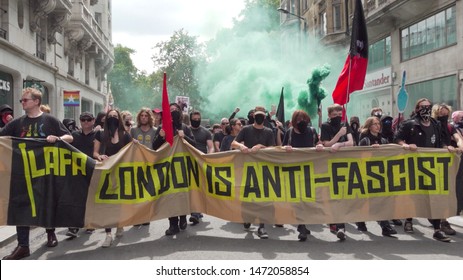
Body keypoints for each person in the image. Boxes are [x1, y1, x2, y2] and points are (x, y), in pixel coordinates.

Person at [0, 87, 73, 260]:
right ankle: (23, 245)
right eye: (22, 100)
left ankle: (50, 233)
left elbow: (70, 137)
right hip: (22, 172)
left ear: (36, 101)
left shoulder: (50, 120)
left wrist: (58, 138)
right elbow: (2, 138)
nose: (22, 103)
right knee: (20, 205)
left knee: (47, 201)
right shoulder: (17, 123)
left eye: (25, 100)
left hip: (45, 171)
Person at [394, 98, 455, 242]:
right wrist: (405, 145)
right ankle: (408, 220)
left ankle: (437, 229)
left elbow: (441, 142)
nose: (426, 109)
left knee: (433, 197)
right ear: (417, 109)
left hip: (431, 166)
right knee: (413, 194)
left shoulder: (436, 124)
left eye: (429, 106)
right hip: (413, 164)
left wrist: (448, 147)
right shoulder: (409, 124)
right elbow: (397, 139)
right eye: (423, 107)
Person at [231, 106, 276, 239]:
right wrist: (242, 146)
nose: (260, 117)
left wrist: (261, 147)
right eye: (258, 115)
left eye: (262, 115)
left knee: (263, 198)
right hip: (248, 168)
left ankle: (262, 227)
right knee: (248, 197)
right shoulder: (246, 129)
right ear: (254, 116)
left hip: (264, 169)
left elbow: (273, 149)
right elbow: (234, 143)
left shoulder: (269, 132)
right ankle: (247, 217)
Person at [152, 103, 196, 236]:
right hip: (167, 168)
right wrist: (160, 136)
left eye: (176, 110)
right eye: (170, 110)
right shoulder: (162, 128)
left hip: (182, 167)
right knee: (169, 196)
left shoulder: (185, 128)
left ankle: (182, 217)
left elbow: (194, 145)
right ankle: (173, 224)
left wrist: (184, 137)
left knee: (181, 194)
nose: (173, 112)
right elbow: (154, 147)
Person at [282, 110, 324, 241]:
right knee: (298, 199)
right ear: (294, 121)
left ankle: (303, 224)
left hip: (309, 170)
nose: (302, 122)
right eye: (299, 120)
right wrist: (286, 149)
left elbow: (319, 143)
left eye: (304, 119)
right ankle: (302, 225)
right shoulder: (289, 132)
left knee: (307, 199)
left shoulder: (312, 131)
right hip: (294, 170)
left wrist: (320, 146)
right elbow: (282, 147)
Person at [93, 109, 133, 247]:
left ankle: (120, 224)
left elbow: (131, 153)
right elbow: (95, 152)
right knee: (107, 204)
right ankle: (108, 234)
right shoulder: (100, 134)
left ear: (119, 119)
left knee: (119, 202)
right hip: (106, 173)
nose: (112, 118)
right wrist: (99, 156)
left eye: (115, 116)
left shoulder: (125, 135)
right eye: (109, 116)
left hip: (121, 174)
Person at [357, 117, 397, 236]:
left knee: (381, 199)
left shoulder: (384, 140)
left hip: (381, 173)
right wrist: (370, 150)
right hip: (367, 173)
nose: (377, 126)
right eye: (374, 124)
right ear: (369, 126)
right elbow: (359, 155)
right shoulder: (365, 140)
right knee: (365, 199)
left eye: (378, 124)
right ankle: (360, 221)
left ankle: (385, 226)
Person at [320, 103, 354, 241]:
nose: (338, 117)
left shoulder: (345, 124)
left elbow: (351, 142)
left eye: (339, 115)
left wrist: (340, 144)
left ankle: (341, 227)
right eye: (334, 115)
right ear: (329, 115)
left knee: (341, 195)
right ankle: (333, 221)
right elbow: (326, 144)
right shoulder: (325, 126)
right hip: (328, 164)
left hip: (344, 163)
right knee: (331, 194)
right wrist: (338, 136)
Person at [432, 103, 463, 235]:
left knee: (453, 190)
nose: (444, 116)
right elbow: (437, 141)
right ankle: (442, 222)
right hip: (436, 163)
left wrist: (460, 145)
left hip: (449, 162)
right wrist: (445, 147)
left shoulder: (450, 126)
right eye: (441, 113)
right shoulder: (432, 126)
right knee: (440, 192)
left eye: (446, 114)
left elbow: (458, 138)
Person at [66, 112, 97, 237]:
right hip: (77, 172)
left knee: (90, 198)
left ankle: (90, 223)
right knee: (76, 198)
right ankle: (73, 226)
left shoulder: (98, 135)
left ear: (93, 121)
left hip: (93, 170)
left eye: (88, 119)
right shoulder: (74, 135)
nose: (85, 122)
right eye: (83, 120)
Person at [130, 107, 157, 227]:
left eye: (146, 116)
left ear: (149, 117)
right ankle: (137, 216)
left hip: (150, 164)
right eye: (142, 116)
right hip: (137, 163)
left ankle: (146, 215)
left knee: (148, 190)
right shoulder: (134, 130)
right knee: (137, 190)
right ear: (139, 117)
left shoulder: (155, 130)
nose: (144, 118)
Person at [189, 110, 213, 224]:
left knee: (198, 187)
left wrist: (209, 156)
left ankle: (196, 212)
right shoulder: (186, 130)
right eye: (194, 119)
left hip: (200, 161)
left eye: (198, 119)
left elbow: (211, 147)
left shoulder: (206, 132)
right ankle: (195, 210)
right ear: (190, 119)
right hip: (188, 161)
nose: (196, 121)